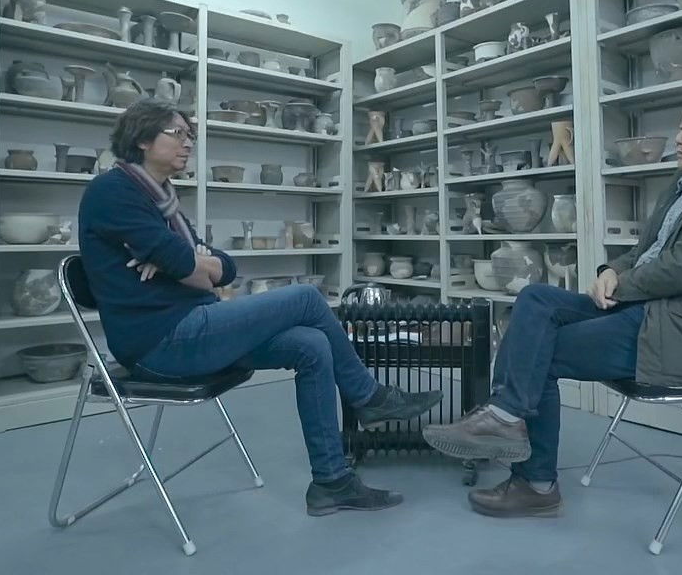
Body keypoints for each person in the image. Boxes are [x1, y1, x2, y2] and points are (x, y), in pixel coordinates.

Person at [422, 94, 682, 518]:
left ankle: (535, 482)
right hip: (651, 310)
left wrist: (622, 285)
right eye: (681, 128)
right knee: (535, 299)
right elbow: (647, 252)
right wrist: (611, 270)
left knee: (541, 353)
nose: (679, 138)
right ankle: (505, 414)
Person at [78, 101, 442, 516]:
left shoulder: (163, 201)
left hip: (195, 327)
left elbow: (223, 268)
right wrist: (186, 263)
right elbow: (186, 264)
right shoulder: (113, 191)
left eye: (190, 136)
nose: (188, 143)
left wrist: (185, 263)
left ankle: (332, 482)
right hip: (160, 344)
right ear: (143, 139)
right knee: (307, 298)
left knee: (310, 344)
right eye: (177, 134)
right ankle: (370, 397)